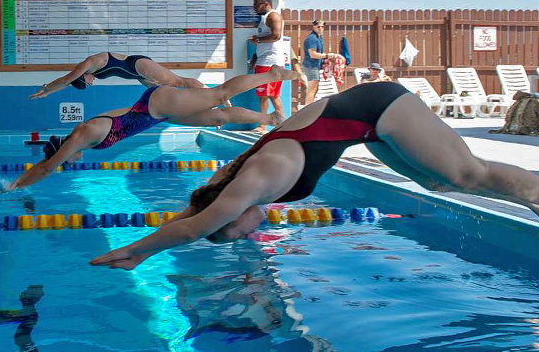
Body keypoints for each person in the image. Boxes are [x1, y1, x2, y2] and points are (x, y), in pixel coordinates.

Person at [90, 81, 539, 270]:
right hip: (366, 122)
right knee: (436, 183)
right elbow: (196, 208)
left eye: (234, 234)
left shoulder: (257, 180)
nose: (246, 235)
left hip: (380, 107)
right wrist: (178, 223)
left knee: (466, 174)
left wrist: (137, 252)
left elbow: (193, 226)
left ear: (235, 213)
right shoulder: (231, 182)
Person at [6, 66, 297, 190]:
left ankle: (270, 74)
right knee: (217, 118)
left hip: (156, 107)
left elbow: (47, 168)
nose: (73, 161)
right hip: (154, 113)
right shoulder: (88, 134)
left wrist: (15, 186)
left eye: (66, 157)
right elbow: (125, 114)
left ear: (63, 149)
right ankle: (270, 120)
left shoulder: (82, 134)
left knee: (218, 95)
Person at [28, 52, 209, 100]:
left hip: (137, 65)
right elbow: (68, 81)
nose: (92, 84)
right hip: (136, 75)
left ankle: (213, 92)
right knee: (164, 93)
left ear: (83, 76)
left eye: (88, 84)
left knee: (177, 81)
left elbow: (66, 80)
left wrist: (47, 90)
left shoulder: (91, 62)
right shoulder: (94, 72)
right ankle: (203, 102)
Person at [249, 0, 285, 133]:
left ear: (266, 4)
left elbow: (276, 36)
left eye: (257, 5)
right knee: (265, 95)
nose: (254, 8)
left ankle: (271, 126)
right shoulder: (264, 18)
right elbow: (264, 43)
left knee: (270, 95)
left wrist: (258, 40)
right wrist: (255, 58)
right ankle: (272, 125)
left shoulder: (273, 16)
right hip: (264, 61)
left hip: (271, 63)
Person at [302, 20, 326, 105]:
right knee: (312, 89)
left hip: (314, 66)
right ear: (314, 27)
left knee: (315, 89)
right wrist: (326, 55)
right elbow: (312, 54)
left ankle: (309, 107)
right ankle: (308, 109)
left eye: (322, 27)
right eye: (318, 26)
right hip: (310, 66)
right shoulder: (312, 38)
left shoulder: (319, 38)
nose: (320, 28)